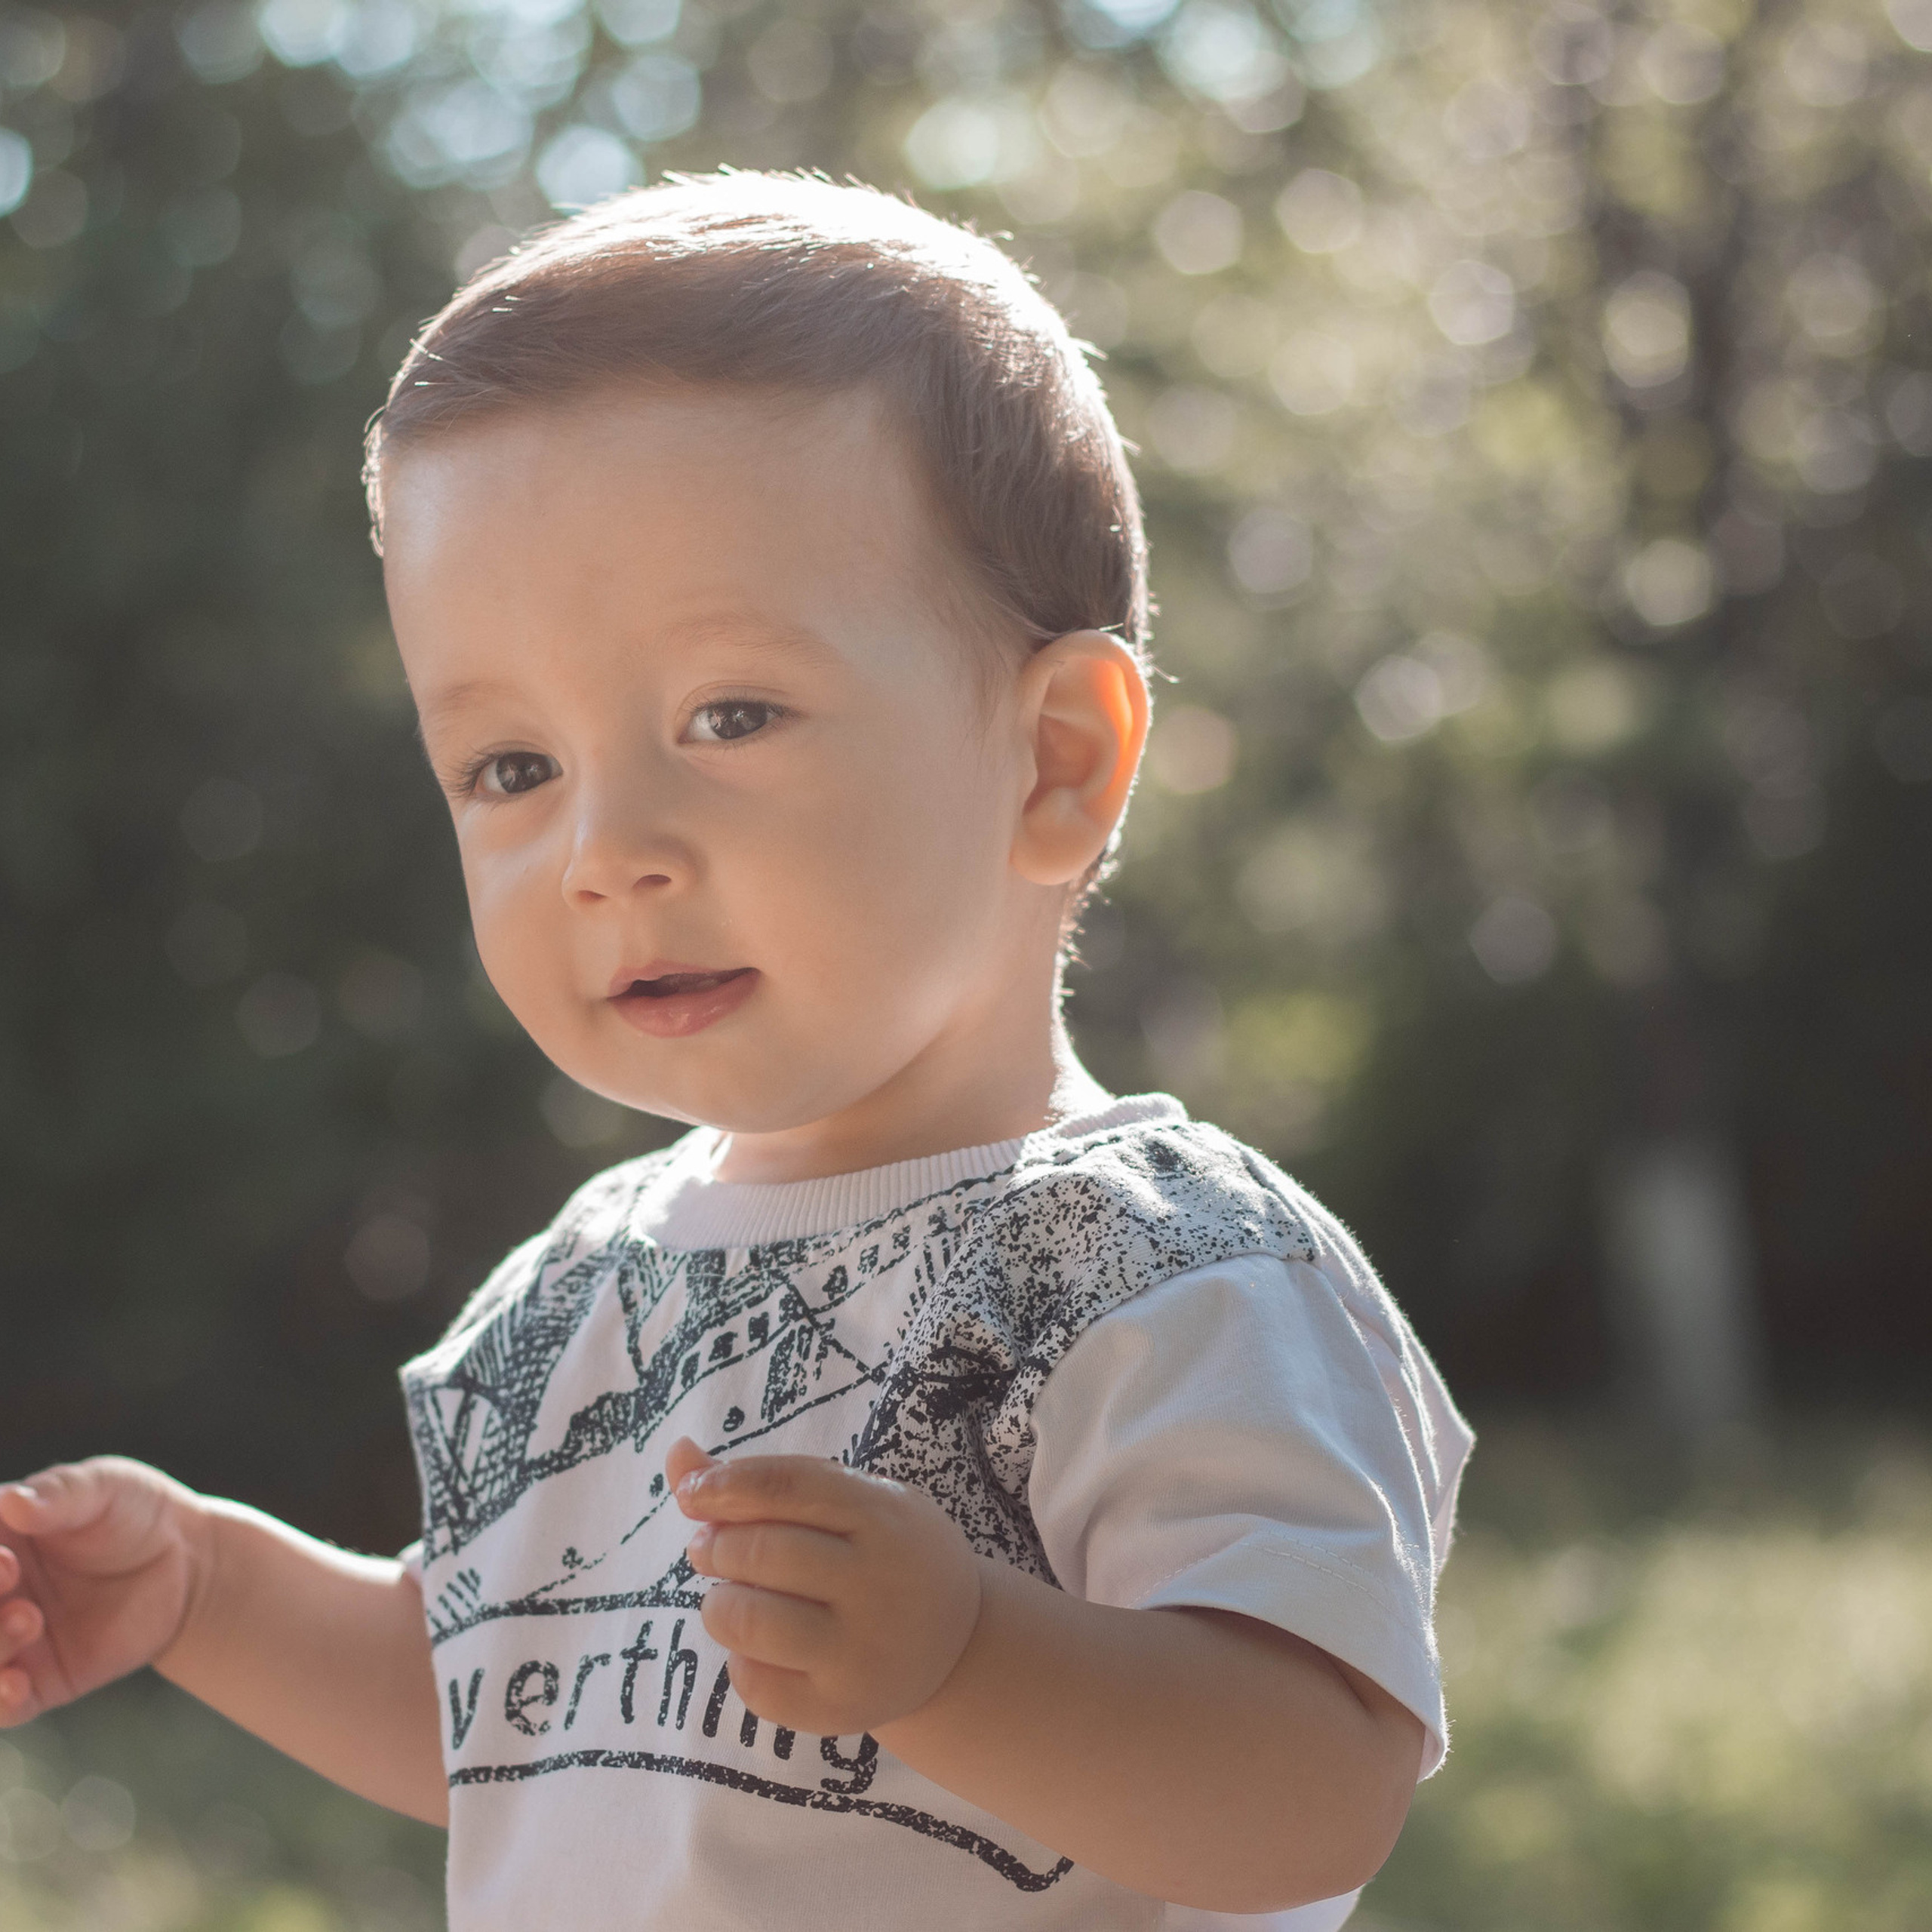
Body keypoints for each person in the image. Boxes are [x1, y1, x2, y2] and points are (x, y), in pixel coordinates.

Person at [0, 173, 1471, 1932]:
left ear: (1055, 760)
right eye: (511, 767)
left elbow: (1309, 1791)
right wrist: (207, 1593)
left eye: (729, 714)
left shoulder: (1165, 1269)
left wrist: (965, 1651)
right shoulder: (575, 1292)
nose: (604, 844)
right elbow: (533, 1723)